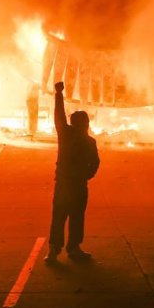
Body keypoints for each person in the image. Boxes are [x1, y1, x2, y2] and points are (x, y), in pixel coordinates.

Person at [45, 81, 100, 263]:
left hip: (73, 185)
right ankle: (60, 248)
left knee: (71, 218)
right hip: (68, 185)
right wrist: (58, 94)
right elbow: (59, 116)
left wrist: (87, 175)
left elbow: (95, 163)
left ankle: (66, 248)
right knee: (63, 217)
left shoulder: (82, 140)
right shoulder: (69, 136)